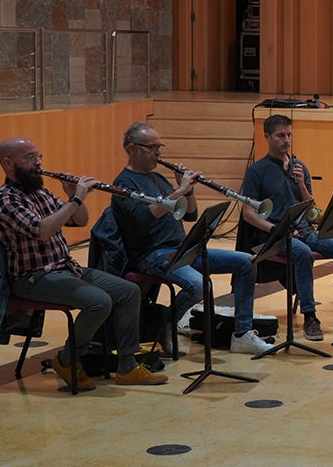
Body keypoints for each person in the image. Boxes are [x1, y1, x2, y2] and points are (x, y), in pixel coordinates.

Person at [0, 138, 167, 389]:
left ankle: (127, 366)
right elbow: (43, 230)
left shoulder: (40, 191)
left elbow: (80, 221)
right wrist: (76, 199)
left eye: (38, 155)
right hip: (32, 278)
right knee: (99, 301)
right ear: (9, 163)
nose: (39, 162)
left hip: (64, 268)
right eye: (30, 158)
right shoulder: (6, 199)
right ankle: (68, 359)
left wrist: (73, 196)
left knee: (128, 291)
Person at [111, 122, 272, 355]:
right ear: (133, 149)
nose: (159, 152)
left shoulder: (158, 178)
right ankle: (166, 322)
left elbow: (190, 214)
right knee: (199, 285)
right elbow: (142, 219)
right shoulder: (123, 183)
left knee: (246, 262)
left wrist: (187, 189)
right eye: (152, 147)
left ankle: (242, 334)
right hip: (151, 254)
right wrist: (178, 191)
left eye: (160, 146)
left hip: (183, 248)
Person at [240, 115, 333, 341]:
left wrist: (301, 184)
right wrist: (276, 230)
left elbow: (309, 207)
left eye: (289, 135)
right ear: (267, 137)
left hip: (305, 231)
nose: (286, 140)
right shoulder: (257, 171)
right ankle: (310, 316)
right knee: (302, 253)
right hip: (277, 235)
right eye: (280, 136)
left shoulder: (300, 166)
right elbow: (249, 214)